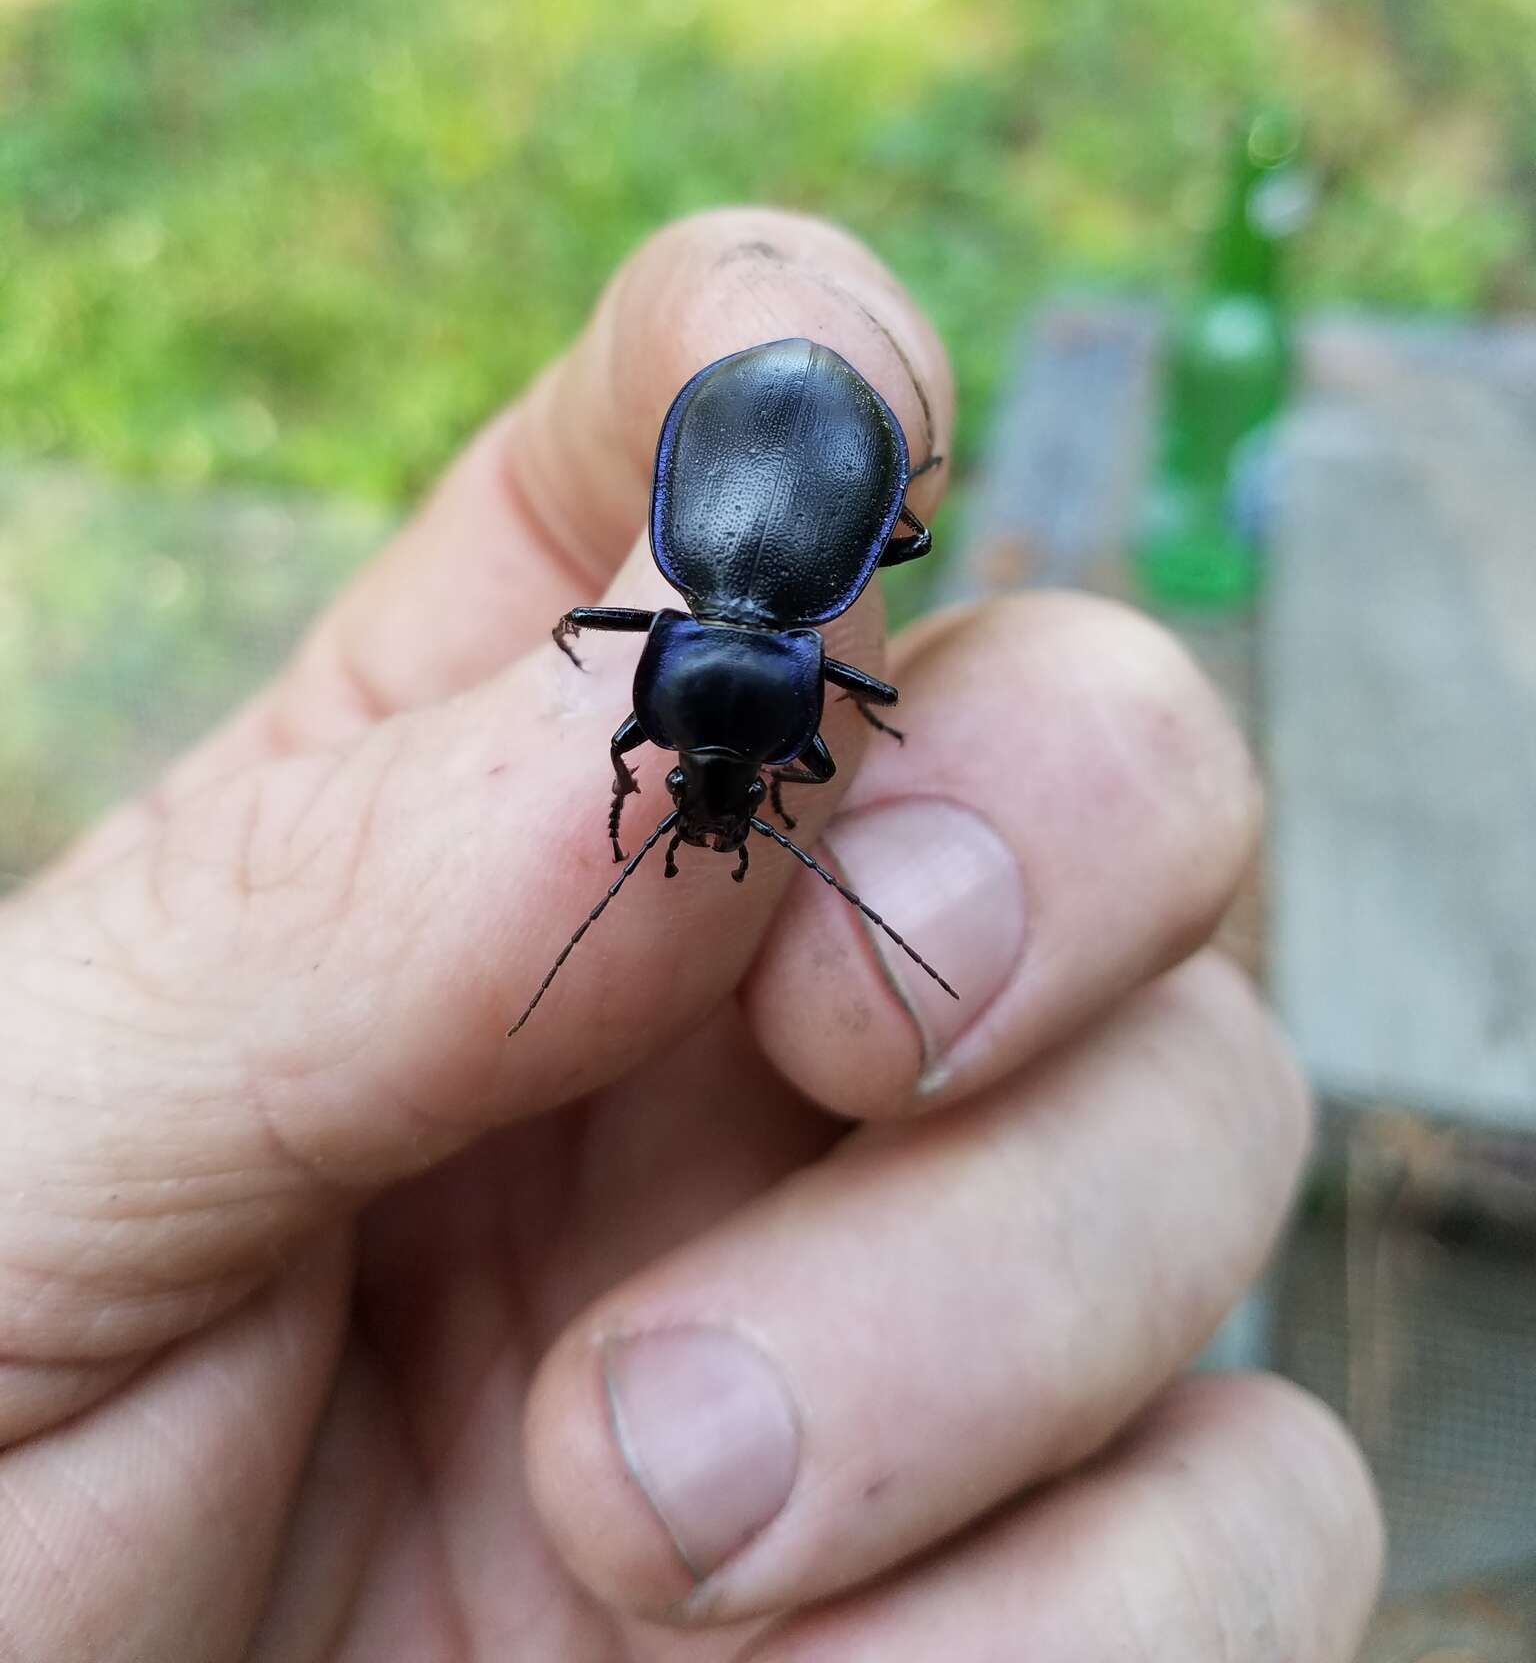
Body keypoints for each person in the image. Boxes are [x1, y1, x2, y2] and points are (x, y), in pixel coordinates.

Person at [0, 210, 1381, 1659]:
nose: (713, 802)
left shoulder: (706, 673)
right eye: (733, 787)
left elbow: (649, 734)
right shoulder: (753, 671)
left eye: (692, 784)